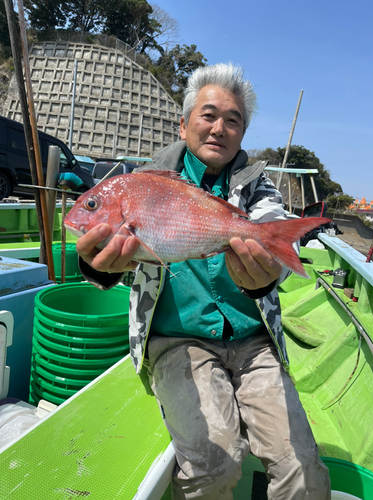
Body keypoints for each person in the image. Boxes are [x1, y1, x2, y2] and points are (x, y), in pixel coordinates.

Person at [76, 63, 331, 499]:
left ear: (243, 132)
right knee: (216, 465)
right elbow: (110, 259)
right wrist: (100, 267)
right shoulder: (140, 179)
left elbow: (271, 223)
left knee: (304, 469)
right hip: (178, 341)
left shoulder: (258, 187)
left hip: (255, 342)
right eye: (208, 115)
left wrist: (265, 275)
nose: (219, 128)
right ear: (185, 122)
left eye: (233, 120)